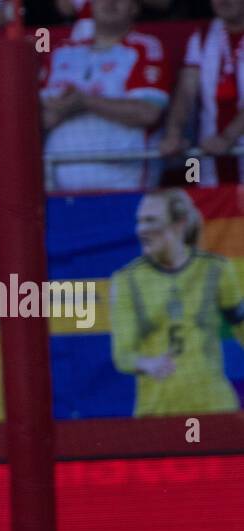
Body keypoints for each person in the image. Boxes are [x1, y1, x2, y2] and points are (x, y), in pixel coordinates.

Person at [110, 189, 244, 415]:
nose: (141, 229)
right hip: (156, 413)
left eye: (151, 220)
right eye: (139, 221)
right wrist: (147, 364)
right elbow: (122, 355)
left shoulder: (216, 269)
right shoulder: (126, 281)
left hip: (216, 407)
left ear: (179, 224)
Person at [40, 0, 168, 192]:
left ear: (135, 7)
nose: (109, 2)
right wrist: (51, 115)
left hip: (124, 182)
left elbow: (148, 113)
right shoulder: (60, 51)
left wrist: (85, 102)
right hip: (58, 186)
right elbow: (34, 117)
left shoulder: (146, 47)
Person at [160, 0, 244, 185]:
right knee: (195, 192)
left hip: (232, 147)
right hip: (208, 157)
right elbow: (186, 91)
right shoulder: (202, 36)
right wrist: (174, 133)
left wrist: (227, 137)